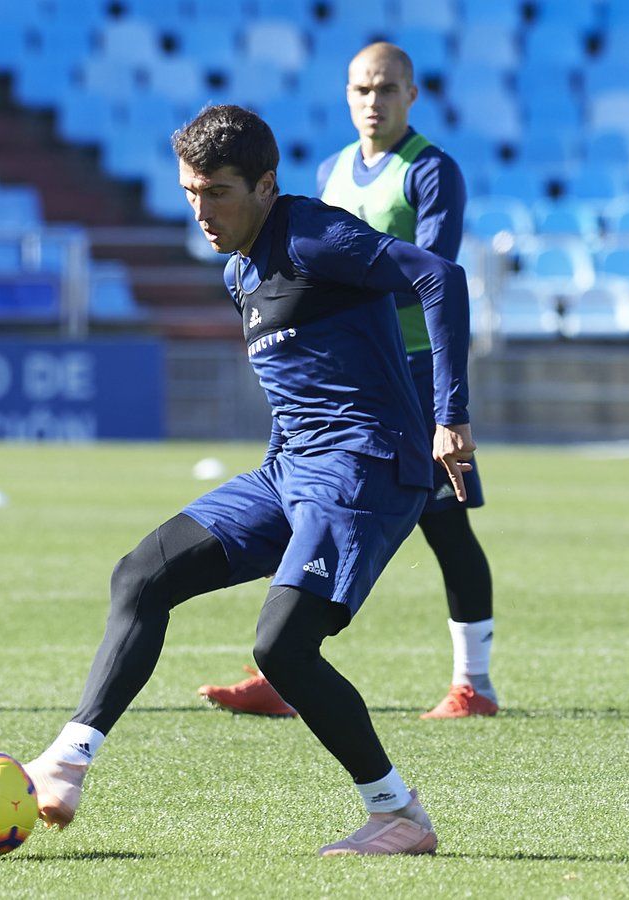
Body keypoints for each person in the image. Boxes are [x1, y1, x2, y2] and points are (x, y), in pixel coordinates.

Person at [24, 104, 474, 856]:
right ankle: (67, 761)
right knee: (141, 574)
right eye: (191, 192)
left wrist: (449, 415)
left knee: (283, 648)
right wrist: (279, 471)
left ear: (265, 185)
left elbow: (439, 276)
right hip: (290, 467)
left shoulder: (313, 234)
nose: (201, 211)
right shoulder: (240, 270)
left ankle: (398, 814)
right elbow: (298, 385)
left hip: (365, 465)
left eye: (218, 193)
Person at [198, 42, 497, 720]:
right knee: (301, 506)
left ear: (411, 96)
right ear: (345, 94)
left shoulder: (430, 171)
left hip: (413, 371)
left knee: (447, 528)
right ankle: (278, 669)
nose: (374, 100)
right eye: (362, 88)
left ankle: (473, 684)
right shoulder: (331, 171)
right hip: (335, 378)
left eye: (387, 88)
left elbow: (429, 273)